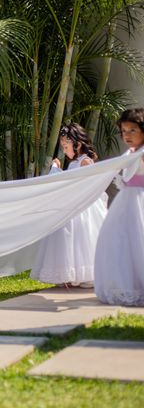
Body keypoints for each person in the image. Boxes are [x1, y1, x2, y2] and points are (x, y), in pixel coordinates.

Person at [31, 123, 106, 287]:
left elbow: (86, 186)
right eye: (63, 147)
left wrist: (57, 170)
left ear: (78, 144)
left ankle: (86, 275)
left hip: (83, 208)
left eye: (66, 147)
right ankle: (69, 274)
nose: (64, 151)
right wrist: (57, 169)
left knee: (81, 240)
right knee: (67, 239)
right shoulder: (74, 163)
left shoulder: (85, 162)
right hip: (73, 204)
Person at [94, 108, 144, 306]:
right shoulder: (129, 153)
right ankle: (125, 284)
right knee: (119, 241)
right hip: (125, 202)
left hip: (140, 201)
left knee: (138, 240)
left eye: (132, 130)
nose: (127, 135)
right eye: (124, 131)